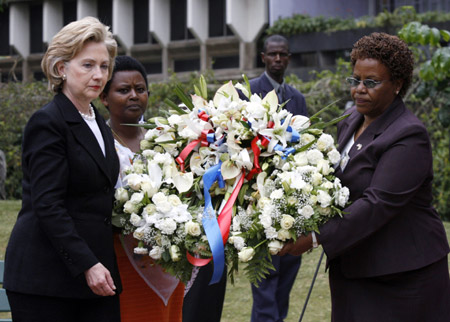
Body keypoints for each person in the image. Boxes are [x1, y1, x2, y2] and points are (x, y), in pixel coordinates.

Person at [280, 32, 450, 321]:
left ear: (397, 85)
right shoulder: (350, 122)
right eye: (355, 80)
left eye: (371, 82)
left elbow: (377, 203)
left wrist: (313, 237)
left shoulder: (409, 135)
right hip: (354, 265)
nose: (359, 89)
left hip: (401, 276)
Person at [3, 17, 121, 322]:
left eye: (104, 66)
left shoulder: (99, 123)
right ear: (61, 68)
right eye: (88, 65)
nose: (99, 75)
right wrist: (87, 264)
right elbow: (47, 204)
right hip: (46, 281)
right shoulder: (48, 122)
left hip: (94, 278)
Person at [100, 55, 184, 321]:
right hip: (122, 259)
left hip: (168, 259)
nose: (134, 96)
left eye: (140, 89)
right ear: (104, 97)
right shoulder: (99, 144)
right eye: (123, 90)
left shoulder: (165, 139)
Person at [248, 34, 308, 322]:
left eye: (283, 54)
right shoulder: (247, 93)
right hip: (258, 200)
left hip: (292, 203)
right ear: (263, 57)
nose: (278, 59)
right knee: (264, 284)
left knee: (285, 279)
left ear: (289, 57)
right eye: (272, 54)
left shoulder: (298, 99)